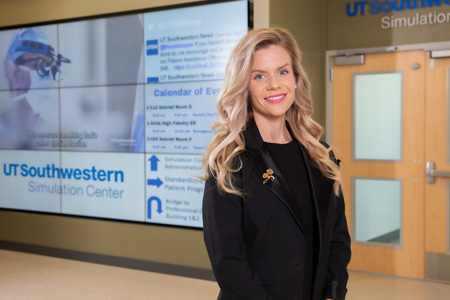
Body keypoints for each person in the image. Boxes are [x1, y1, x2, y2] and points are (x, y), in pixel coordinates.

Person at [202, 28, 351, 300]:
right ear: (244, 86)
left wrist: (333, 292)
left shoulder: (321, 156)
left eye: (282, 72)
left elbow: (337, 239)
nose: (274, 85)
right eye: (259, 76)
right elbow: (228, 260)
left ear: (295, 78)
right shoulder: (229, 163)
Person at [0, 26, 70, 149]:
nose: (47, 77)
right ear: (14, 72)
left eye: (50, 66)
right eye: (40, 65)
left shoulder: (53, 137)